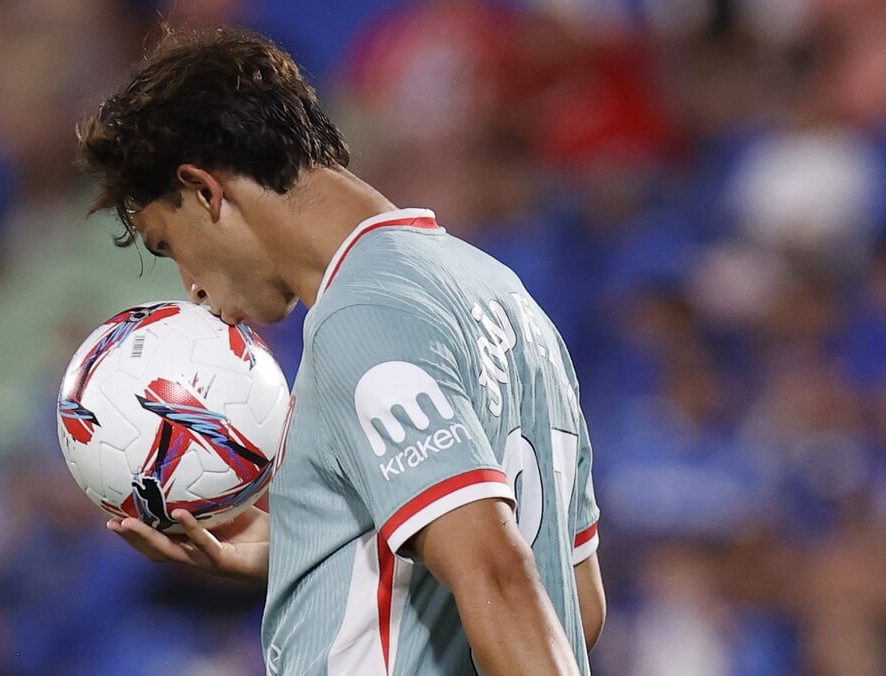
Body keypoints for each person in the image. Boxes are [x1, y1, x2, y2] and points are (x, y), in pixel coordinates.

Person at [77, 27, 605, 676]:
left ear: (205, 191)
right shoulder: (503, 294)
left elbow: (499, 576)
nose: (193, 288)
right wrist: (312, 547)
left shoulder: (364, 314)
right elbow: (574, 604)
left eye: (167, 244)